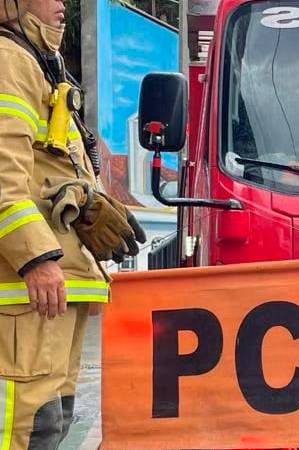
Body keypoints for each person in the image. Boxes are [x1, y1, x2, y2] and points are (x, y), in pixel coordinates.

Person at [0, 0, 143, 447]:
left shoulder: (38, 64)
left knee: (52, 421)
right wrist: (37, 258)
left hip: (51, 290)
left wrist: (84, 201)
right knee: (24, 427)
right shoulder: (9, 60)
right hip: (28, 289)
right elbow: (3, 176)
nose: (63, 6)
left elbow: (47, 168)